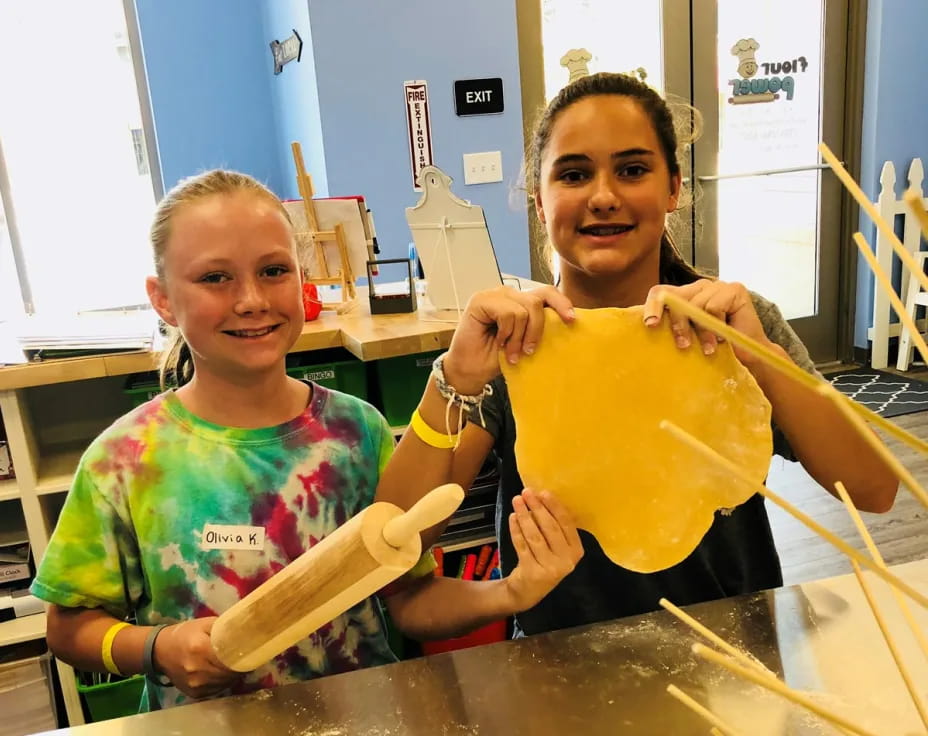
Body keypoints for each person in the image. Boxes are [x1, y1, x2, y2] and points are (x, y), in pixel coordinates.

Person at [30, 170, 582, 710]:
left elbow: (409, 600)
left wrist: (512, 591)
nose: (251, 299)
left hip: (365, 717)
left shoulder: (357, 431)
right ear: (163, 299)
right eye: (215, 278)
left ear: (302, 278)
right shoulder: (125, 459)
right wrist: (155, 647)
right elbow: (68, 627)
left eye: (273, 271)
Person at [381, 71, 898, 638]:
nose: (603, 197)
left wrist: (761, 357)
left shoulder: (734, 327)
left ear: (674, 187)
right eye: (574, 174)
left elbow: (874, 489)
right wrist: (453, 378)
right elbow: (397, 545)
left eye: (632, 170)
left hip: (737, 653)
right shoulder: (514, 346)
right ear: (539, 200)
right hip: (560, 664)